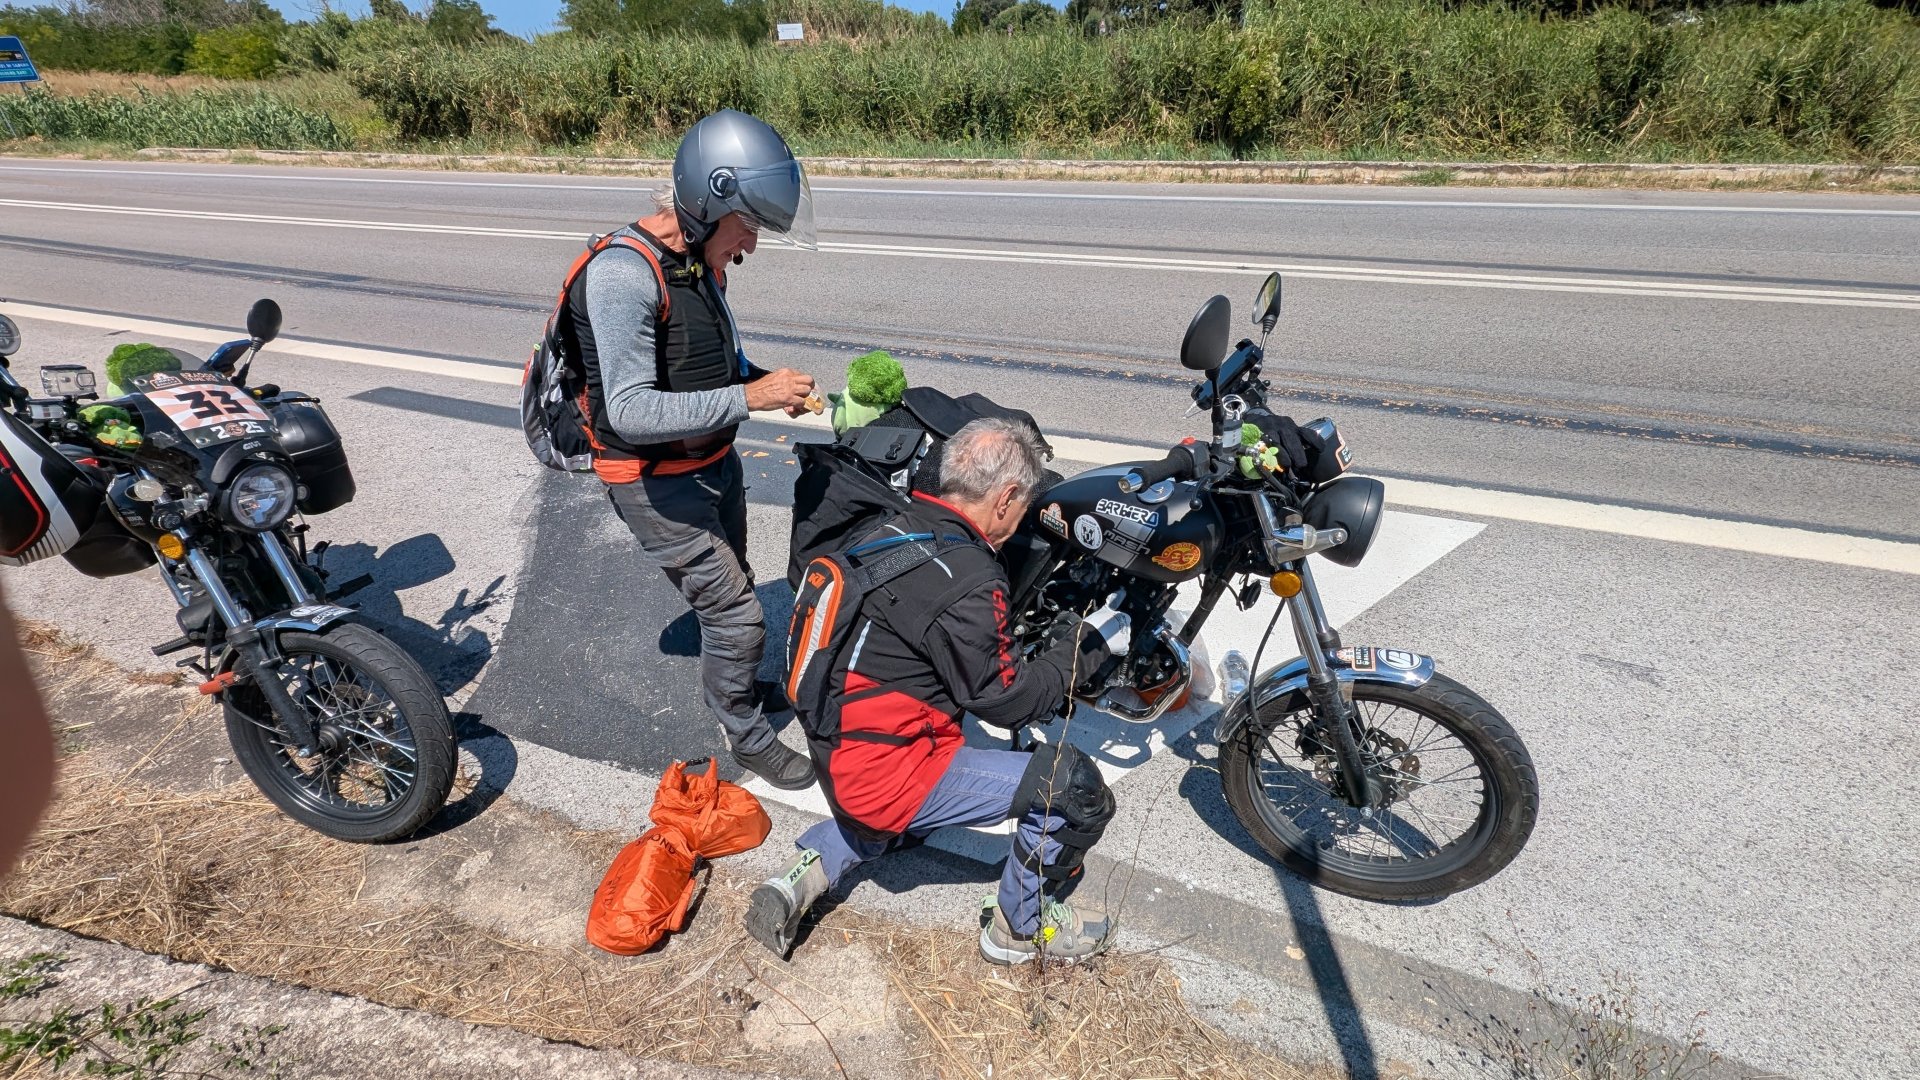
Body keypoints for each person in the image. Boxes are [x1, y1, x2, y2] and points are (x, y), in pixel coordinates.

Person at [747, 419, 1132, 965]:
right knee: (1073, 790)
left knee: (898, 816)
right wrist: (1086, 646)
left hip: (837, 754)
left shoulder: (892, 527)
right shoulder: (969, 578)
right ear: (1005, 499)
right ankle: (1018, 931)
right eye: (1022, 506)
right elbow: (1010, 703)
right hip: (884, 777)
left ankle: (812, 867)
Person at [567, 110, 820, 788]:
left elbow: (712, 366)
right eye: (749, 226)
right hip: (651, 479)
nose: (751, 246)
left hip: (712, 463)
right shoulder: (624, 275)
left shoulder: (700, 265)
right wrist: (752, 397)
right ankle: (746, 735)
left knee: (734, 588)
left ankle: (736, 683)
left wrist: (766, 384)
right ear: (709, 202)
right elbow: (631, 410)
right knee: (737, 613)